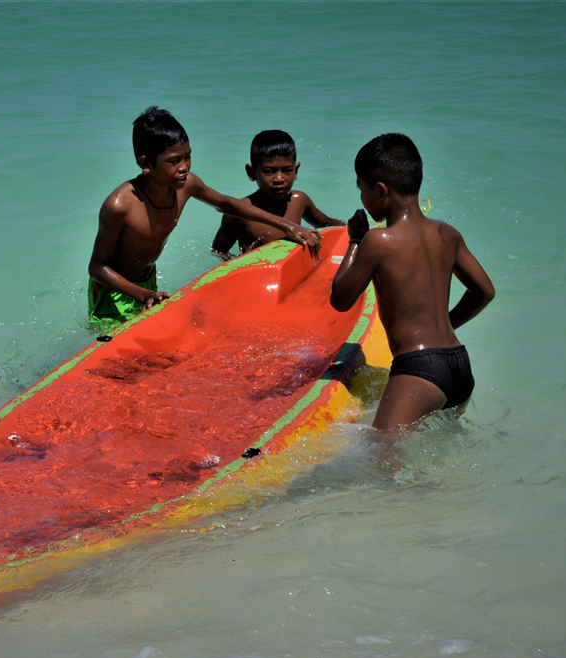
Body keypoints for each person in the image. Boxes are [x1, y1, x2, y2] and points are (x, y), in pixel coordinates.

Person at [88, 107, 322, 327]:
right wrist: (143, 294)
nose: (184, 167)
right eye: (173, 161)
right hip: (115, 293)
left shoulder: (186, 184)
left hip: (148, 284)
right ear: (145, 163)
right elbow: (97, 267)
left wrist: (289, 226)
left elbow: (226, 203)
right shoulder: (119, 205)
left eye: (187, 157)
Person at [330, 133, 495, 431]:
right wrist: (445, 326)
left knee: (381, 459)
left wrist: (355, 240)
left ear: (380, 190)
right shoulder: (447, 234)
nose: (361, 199)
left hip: (419, 370)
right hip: (459, 363)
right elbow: (484, 292)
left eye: (361, 189)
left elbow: (340, 299)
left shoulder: (377, 241)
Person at [212, 130, 345, 260]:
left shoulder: (299, 201)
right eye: (269, 171)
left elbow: (326, 223)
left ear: (296, 170)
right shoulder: (239, 212)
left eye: (287, 170)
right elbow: (219, 252)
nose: (279, 179)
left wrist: (350, 228)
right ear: (251, 173)